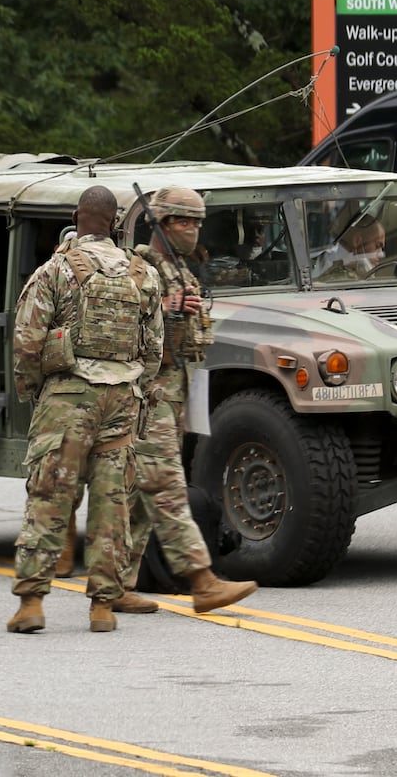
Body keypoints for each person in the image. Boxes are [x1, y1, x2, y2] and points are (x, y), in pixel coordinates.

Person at [7, 185, 163, 634]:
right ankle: (102, 608)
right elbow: (153, 349)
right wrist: (138, 390)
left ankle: (32, 603)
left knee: (50, 497)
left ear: (78, 217)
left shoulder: (55, 269)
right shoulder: (142, 274)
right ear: (115, 222)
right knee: (112, 503)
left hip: (69, 397)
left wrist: (34, 392)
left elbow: (28, 341)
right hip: (123, 398)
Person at [115, 187, 257, 615]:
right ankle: (202, 580)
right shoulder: (137, 268)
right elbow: (119, 315)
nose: (193, 229)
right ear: (160, 224)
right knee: (167, 487)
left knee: (141, 494)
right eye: (183, 221)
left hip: (177, 390)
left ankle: (116, 584)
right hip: (149, 394)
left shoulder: (181, 269)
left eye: (197, 221)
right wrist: (166, 305)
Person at [312, 213, 386, 281]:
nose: (381, 254)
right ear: (357, 241)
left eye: (382, 249)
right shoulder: (328, 262)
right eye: (377, 246)